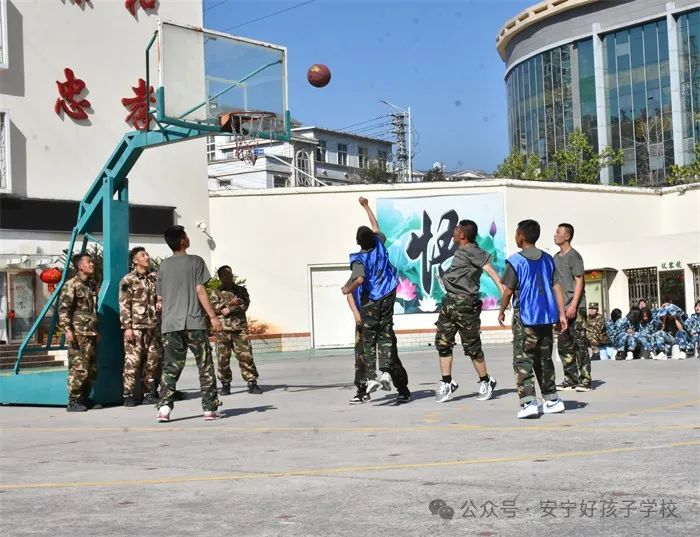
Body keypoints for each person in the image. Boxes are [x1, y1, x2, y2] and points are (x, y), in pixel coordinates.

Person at [341, 196, 411, 403]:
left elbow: (358, 281)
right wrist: (366, 206)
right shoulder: (379, 243)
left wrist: (346, 289)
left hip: (372, 302)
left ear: (358, 242)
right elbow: (375, 226)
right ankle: (374, 381)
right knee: (381, 339)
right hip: (387, 294)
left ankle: (381, 379)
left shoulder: (359, 260)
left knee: (371, 341)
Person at [498, 219, 568, 419]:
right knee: (544, 359)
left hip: (525, 318)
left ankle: (528, 402)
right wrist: (561, 314)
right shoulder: (548, 259)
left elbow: (508, 290)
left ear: (520, 237)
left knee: (523, 360)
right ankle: (552, 400)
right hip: (546, 317)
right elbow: (557, 287)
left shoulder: (516, 261)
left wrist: (502, 310)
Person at [156, 225, 223, 422]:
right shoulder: (196, 261)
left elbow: (160, 297)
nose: (187, 237)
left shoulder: (163, 266)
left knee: (170, 367)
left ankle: (164, 409)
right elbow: (200, 290)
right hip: (194, 322)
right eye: (185, 235)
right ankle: (209, 408)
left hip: (170, 325)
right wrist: (213, 316)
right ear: (182, 240)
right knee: (205, 365)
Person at [433, 219, 504, 403]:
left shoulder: (475, 252)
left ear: (463, 235)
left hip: (466, 306)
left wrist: (505, 296)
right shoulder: (460, 251)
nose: (454, 231)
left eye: (456, 229)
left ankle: (486, 381)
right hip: (449, 303)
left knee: (472, 346)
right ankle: (447, 383)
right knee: (443, 343)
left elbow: (492, 273)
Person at [208, 265, 262, 395]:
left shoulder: (241, 290)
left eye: (230, 275)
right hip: (222, 330)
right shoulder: (216, 292)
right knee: (223, 359)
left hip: (239, 329)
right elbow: (213, 307)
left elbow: (244, 305)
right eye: (225, 275)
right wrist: (231, 303)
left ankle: (252, 382)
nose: (228, 277)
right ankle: (225, 384)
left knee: (246, 356)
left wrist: (230, 309)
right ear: (220, 277)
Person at [119, 247, 162, 407]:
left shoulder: (152, 278)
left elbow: (159, 296)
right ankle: (128, 395)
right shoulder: (128, 280)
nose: (147, 257)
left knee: (152, 360)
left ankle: (148, 392)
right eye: (143, 255)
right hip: (135, 327)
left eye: (147, 254)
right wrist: (127, 327)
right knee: (133, 361)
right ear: (135, 260)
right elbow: (124, 304)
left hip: (152, 326)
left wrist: (160, 301)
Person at [58, 253, 98, 412]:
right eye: (89, 262)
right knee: (78, 367)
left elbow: (92, 310)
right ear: (80, 266)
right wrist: (67, 330)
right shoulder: (71, 284)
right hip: (78, 333)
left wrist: (96, 330)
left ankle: (84, 398)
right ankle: (73, 400)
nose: (92, 264)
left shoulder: (90, 284)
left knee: (91, 368)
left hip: (90, 333)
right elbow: (64, 310)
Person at [553, 223, 590, 392]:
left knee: (579, 344)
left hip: (576, 307)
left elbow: (580, 281)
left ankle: (585, 380)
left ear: (567, 236)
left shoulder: (574, 256)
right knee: (564, 345)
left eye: (558, 232)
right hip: (561, 309)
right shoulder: (555, 258)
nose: (555, 235)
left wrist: (574, 305)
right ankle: (570, 379)